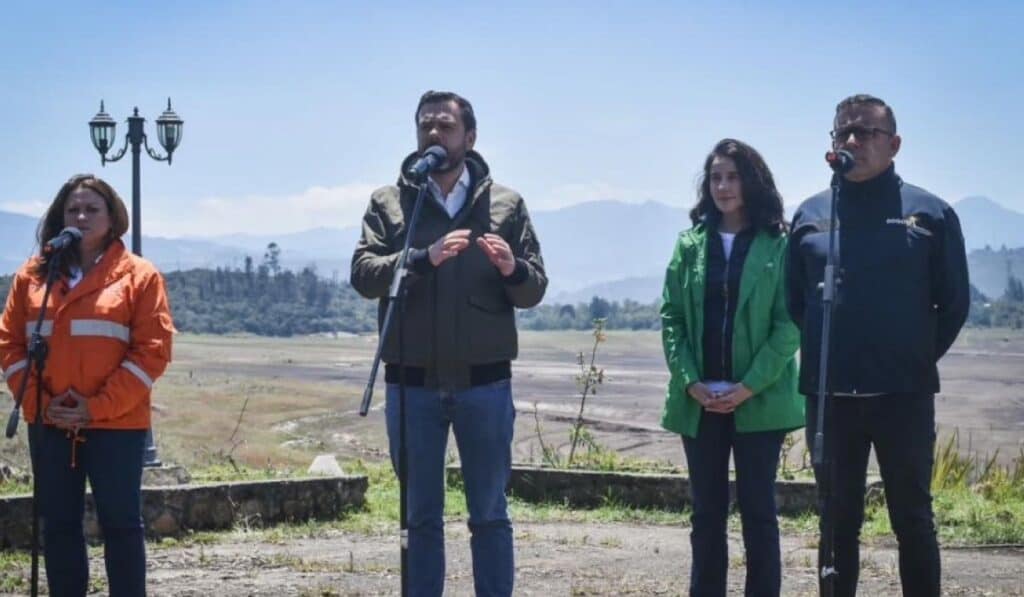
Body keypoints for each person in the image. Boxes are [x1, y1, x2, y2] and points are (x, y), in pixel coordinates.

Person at [350, 90, 546, 597]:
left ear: (470, 137)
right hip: (411, 386)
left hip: (485, 385)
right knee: (419, 518)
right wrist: (419, 257)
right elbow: (364, 274)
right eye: (425, 127)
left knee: (489, 513)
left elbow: (535, 287)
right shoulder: (391, 203)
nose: (433, 135)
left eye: (445, 127)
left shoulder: (505, 204)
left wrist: (512, 269)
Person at [786, 94, 969, 596]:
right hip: (831, 400)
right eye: (841, 132)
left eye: (864, 132)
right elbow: (795, 304)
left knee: (912, 519)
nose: (851, 141)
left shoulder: (931, 214)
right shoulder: (809, 214)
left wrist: (908, 354)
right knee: (837, 521)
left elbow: (953, 305)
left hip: (903, 396)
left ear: (894, 144)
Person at [0, 174, 175, 596]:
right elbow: (10, 343)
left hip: (117, 425)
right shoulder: (32, 278)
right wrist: (43, 402)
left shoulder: (139, 276)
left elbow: (152, 351)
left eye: (91, 209)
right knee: (58, 525)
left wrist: (95, 407)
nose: (81, 216)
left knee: (121, 525)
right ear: (61, 217)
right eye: (72, 209)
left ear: (113, 217)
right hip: (50, 421)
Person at [660, 138, 803, 596]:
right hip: (699, 402)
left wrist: (748, 386)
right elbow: (672, 319)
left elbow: (789, 325)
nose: (723, 186)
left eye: (732, 176)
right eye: (715, 177)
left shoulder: (779, 247)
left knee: (759, 511)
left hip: (759, 401)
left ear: (752, 181)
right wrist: (690, 382)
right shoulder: (689, 245)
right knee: (706, 514)